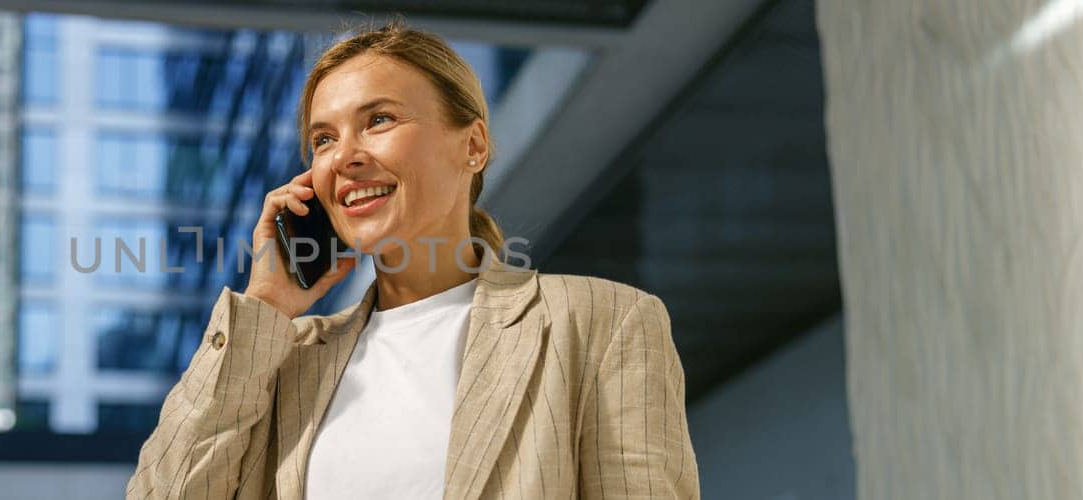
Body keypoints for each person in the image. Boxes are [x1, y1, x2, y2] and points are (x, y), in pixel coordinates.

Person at [127, 21, 698, 500]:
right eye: (323, 139)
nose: (345, 156)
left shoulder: (604, 321)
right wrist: (267, 305)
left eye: (378, 120)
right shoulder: (285, 361)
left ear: (472, 146)